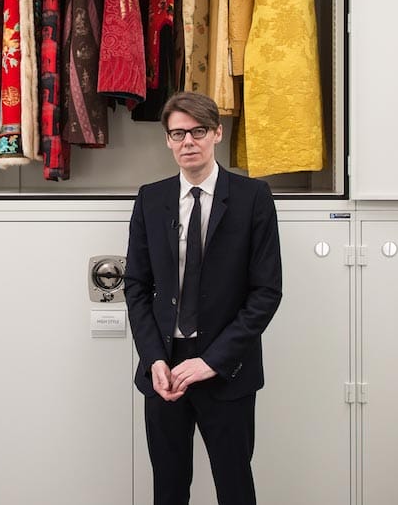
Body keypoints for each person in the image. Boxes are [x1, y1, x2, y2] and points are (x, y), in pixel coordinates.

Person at [124, 91, 283, 505]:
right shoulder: (150, 198)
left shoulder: (253, 198)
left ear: (216, 133)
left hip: (226, 370)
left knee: (234, 487)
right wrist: (155, 358)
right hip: (165, 371)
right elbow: (136, 286)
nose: (187, 142)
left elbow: (265, 293)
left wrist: (211, 361)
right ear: (167, 140)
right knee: (169, 489)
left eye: (197, 131)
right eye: (178, 134)